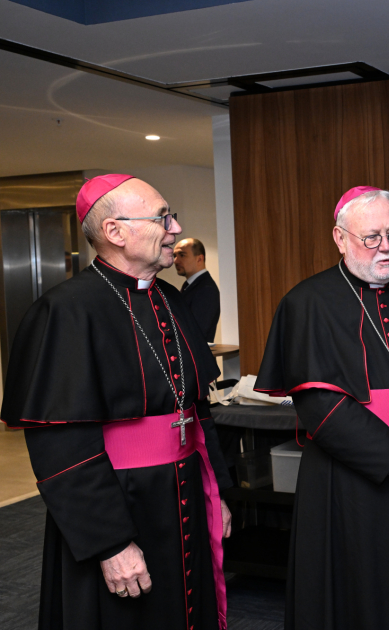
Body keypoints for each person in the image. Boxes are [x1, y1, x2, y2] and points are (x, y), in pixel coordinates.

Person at [1, 174, 233, 630]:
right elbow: (61, 447)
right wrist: (110, 543)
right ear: (115, 232)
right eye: (164, 217)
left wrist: (217, 490)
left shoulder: (169, 298)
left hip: (184, 488)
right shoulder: (65, 310)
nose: (175, 227)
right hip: (120, 504)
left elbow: (196, 409)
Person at [255, 186, 389, 630]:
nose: (387, 247)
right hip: (349, 484)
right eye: (371, 237)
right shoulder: (308, 302)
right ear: (340, 238)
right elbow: (320, 405)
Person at [174, 237, 221, 342]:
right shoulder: (191, 286)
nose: (176, 261)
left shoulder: (206, 289)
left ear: (199, 259)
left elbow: (196, 333)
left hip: (195, 356)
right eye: (174, 256)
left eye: (182, 255)